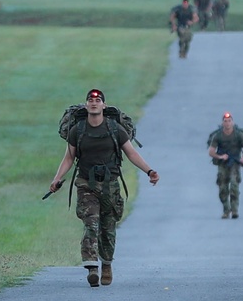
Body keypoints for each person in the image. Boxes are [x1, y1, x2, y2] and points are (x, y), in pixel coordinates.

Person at [48, 88, 160, 288]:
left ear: (104, 105)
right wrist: (57, 179)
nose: (94, 103)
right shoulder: (78, 130)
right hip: (86, 184)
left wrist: (149, 171)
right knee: (91, 224)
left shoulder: (115, 129)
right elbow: (69, 158)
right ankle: (92, 267)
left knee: (108, 229)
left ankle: (106, 264)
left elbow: (131, 153)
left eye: (98, 100)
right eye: (91, 100)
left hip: (110, 186)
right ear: (85, 105)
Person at [207, 112, 243, 219]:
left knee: (234, 185)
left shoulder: (238, 134)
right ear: (222, 123)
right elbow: (211, 152)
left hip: (235, 164)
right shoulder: (218, 136)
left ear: (233, 122)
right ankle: (226, 210)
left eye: (229, 121)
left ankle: (235, 210)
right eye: (225, 121)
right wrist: (220, 157)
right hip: (223, 165)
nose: (227, 123)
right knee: (223, 188)